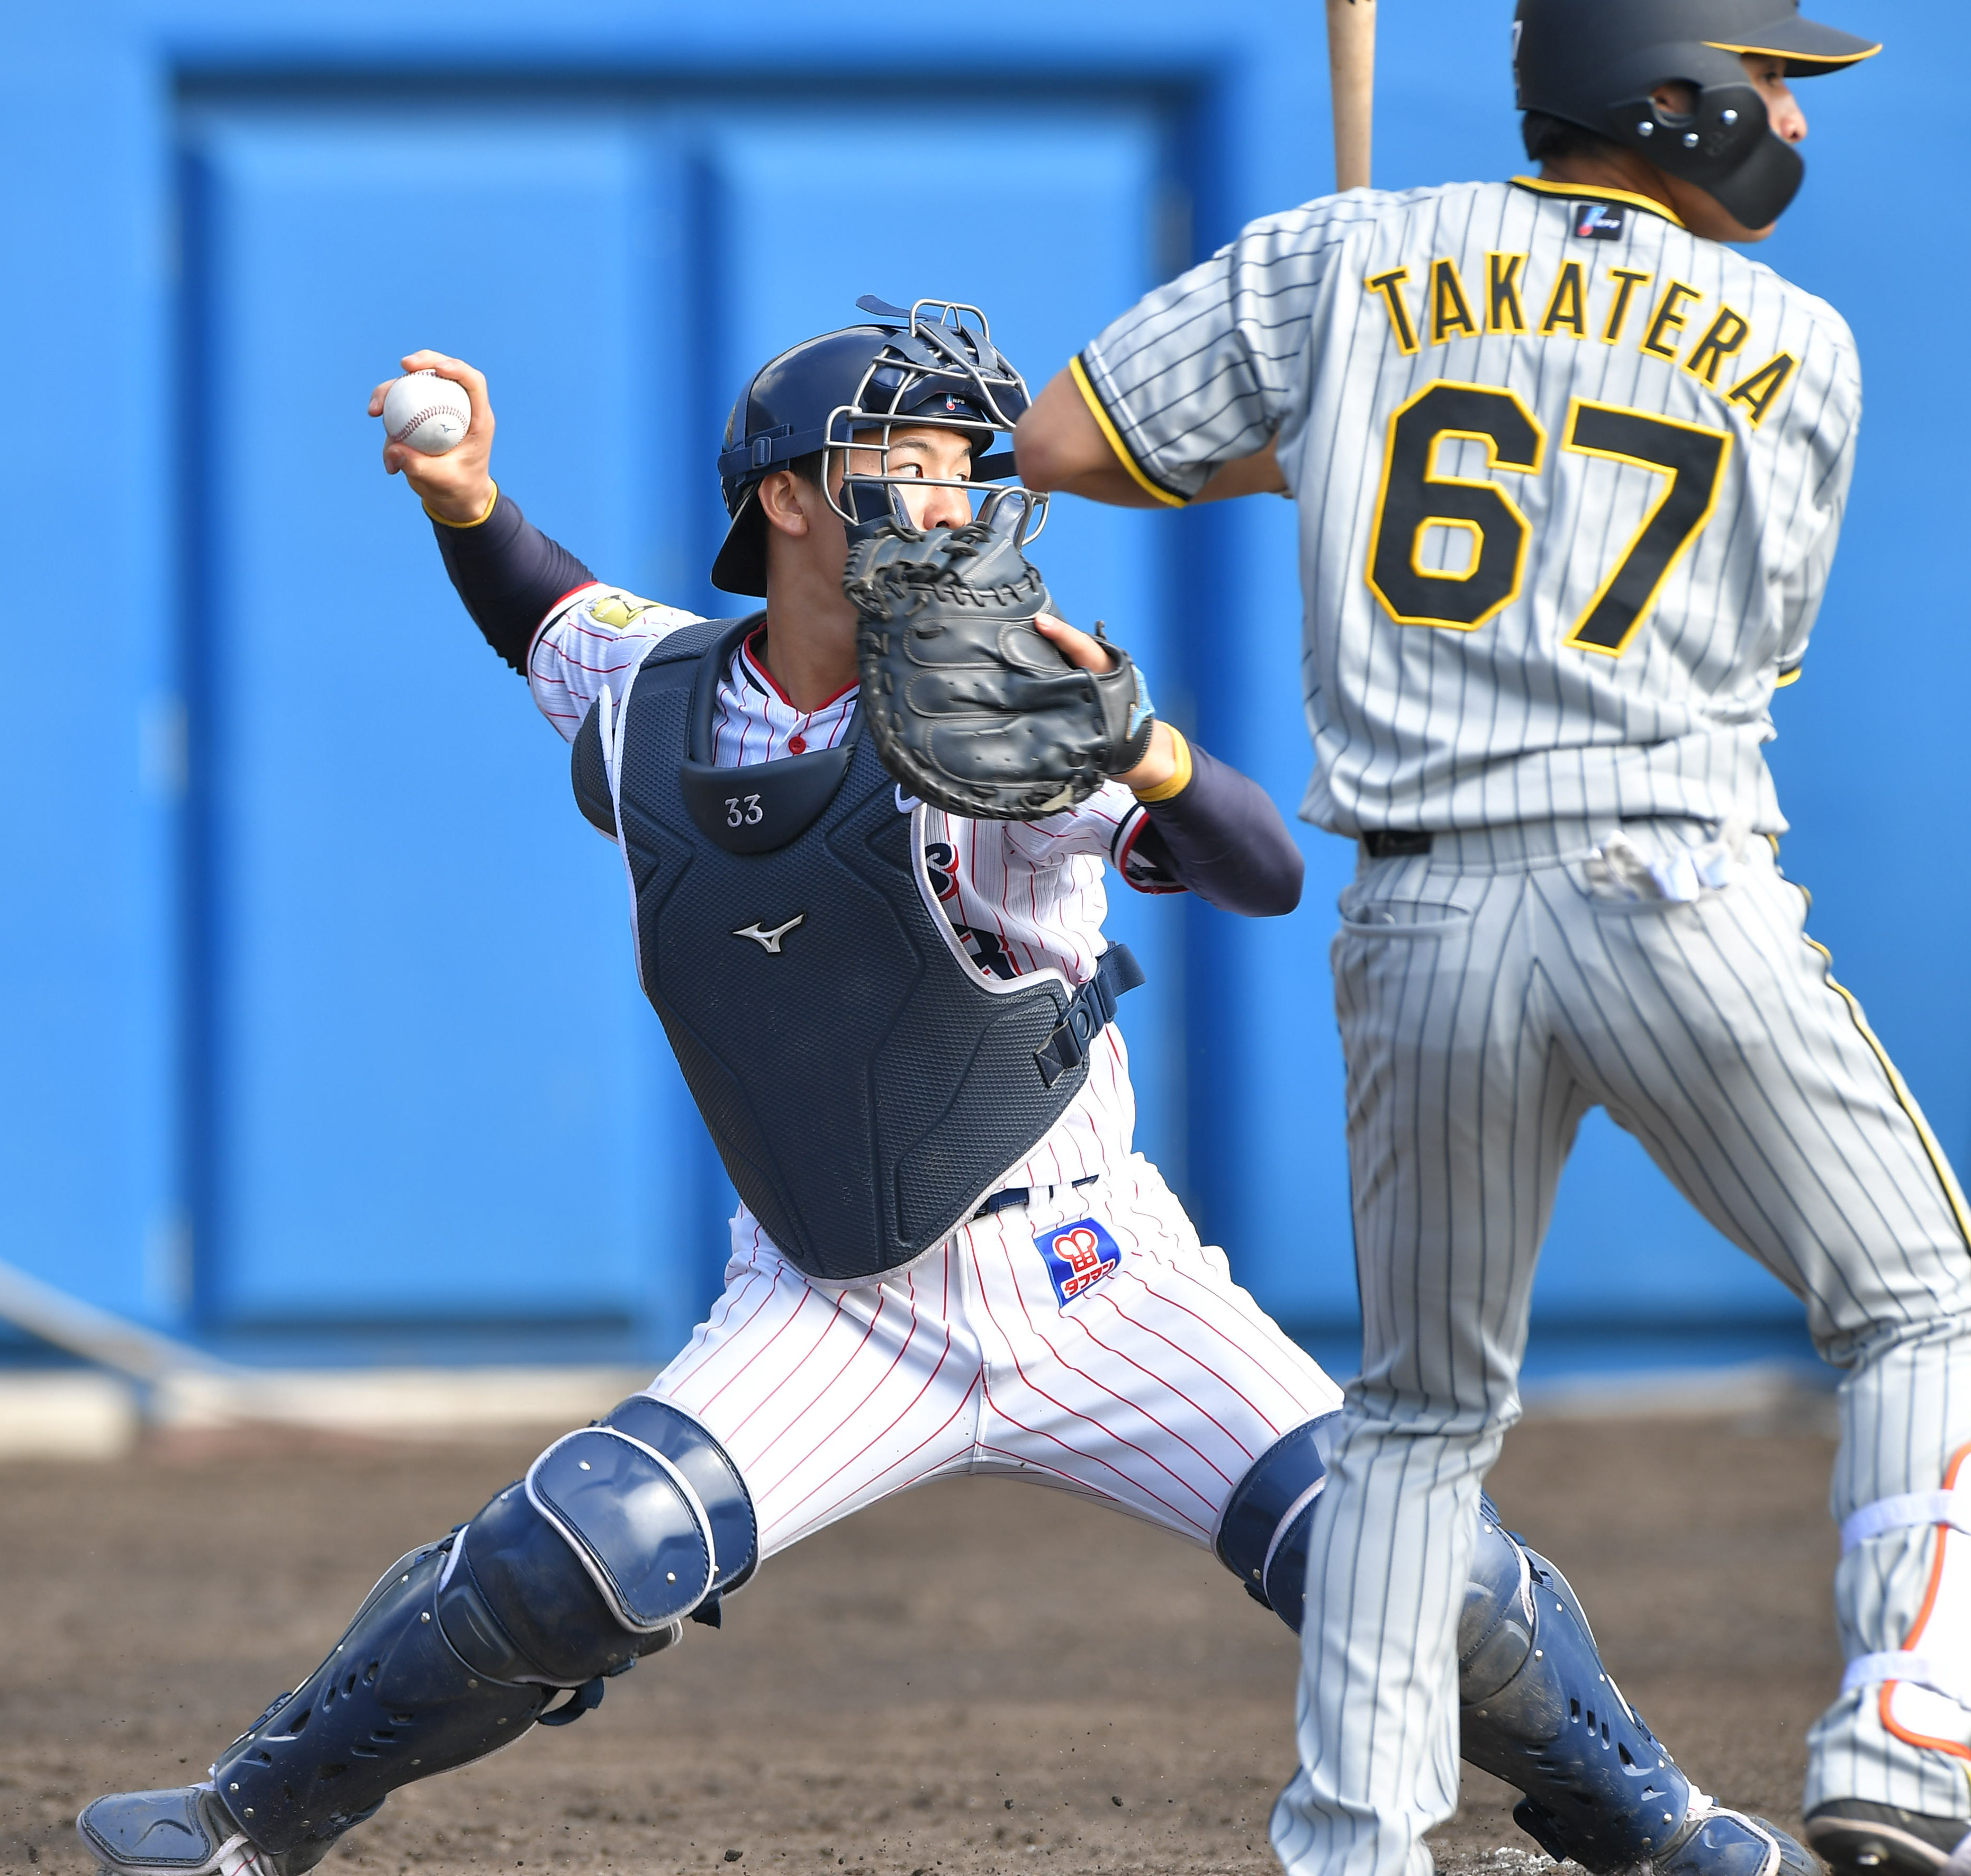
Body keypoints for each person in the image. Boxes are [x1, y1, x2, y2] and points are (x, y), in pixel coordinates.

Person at [79, 300, 1803, 1876]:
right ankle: (251, 1819)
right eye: (903, 462)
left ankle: (1643, 1819)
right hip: (834, 1302)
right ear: (789, 504)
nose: (956, 493)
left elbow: (1261, 870)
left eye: (972, 465)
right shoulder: (658, 681)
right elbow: (542, 606)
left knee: (1403, 1564)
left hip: (1094, 1275)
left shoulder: (1015, 708)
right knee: (578, 1550)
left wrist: (1144, 745)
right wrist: (461, 492)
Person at [1013, 6, 1971, 1876]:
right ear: (1671, 98)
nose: (1788, 114)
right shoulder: (1802, 345)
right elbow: (1746, 649)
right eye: (1768, 79)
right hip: (1668, 885)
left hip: (1421, 912)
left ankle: (1356, 1843)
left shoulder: (1342, 257)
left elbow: (1054, 440)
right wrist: (1349, 449)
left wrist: (1313, 446)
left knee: (1418, 1412)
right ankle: (1906, 1738)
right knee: (1920, 1304)